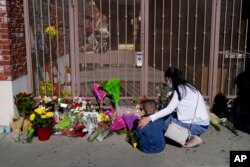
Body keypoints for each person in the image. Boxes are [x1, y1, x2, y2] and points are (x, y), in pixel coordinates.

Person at [138, 67, 210, 148]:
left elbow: (169, 109)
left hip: (197, 125)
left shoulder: (179, 89)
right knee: (167, 118)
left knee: (164, 124)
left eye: (166, 80)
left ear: (169, 79)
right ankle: (190, 133)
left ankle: (192, 137)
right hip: (202, 123)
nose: (166, 83)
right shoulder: (187, 86)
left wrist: (148, 118)